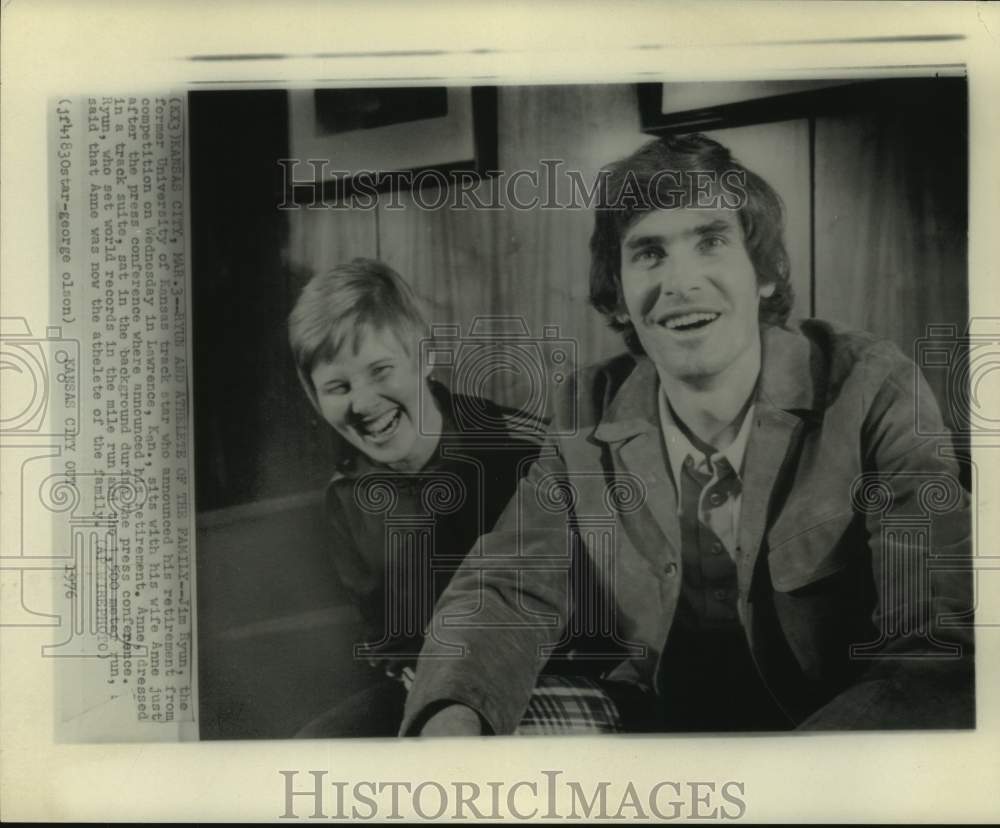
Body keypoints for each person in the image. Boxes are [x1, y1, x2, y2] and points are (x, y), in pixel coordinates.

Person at [400, 134, 975, 736]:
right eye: (649, 253)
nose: (681, 282)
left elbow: (941, 638)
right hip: (657, 727)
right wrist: (451, 721)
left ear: (764, 274)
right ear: (619, 296)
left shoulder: (871, 385)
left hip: (836, 733)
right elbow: (508, 587)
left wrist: (793, 777)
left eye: (711, 241)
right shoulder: (585, 408)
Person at [288, 258, 633, 736]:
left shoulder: (525, 452)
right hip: (428, 691)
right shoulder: (345, 497)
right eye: (337, 387)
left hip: (552, 679)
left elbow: (602, 615)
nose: (363, 404)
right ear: (314, 398)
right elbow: (387, 642)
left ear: (425, 357)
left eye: (381, 370)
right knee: (316, 746)